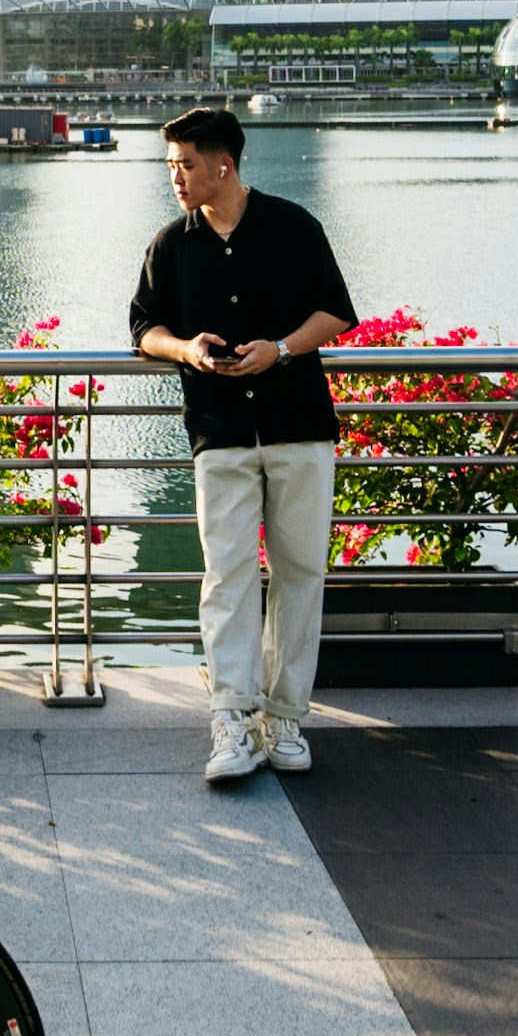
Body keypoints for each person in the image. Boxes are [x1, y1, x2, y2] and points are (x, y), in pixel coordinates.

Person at [130, 104, 360, 785]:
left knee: (299, 574)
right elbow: (144, 328)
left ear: (222, 163)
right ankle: (231, 721)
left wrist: (282, 349)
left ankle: (284, 718)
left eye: (186, 164)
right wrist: (186, 350)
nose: (176, 177)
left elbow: (336, 311)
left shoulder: (293, 226)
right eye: (171, 165)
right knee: (226, 578)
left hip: (298, 424)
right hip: (219, 430)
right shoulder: (170, 244)